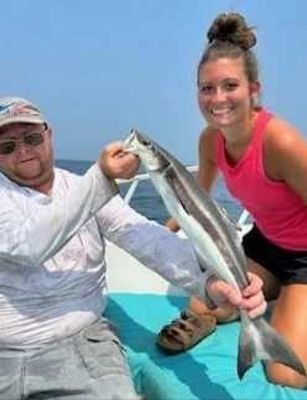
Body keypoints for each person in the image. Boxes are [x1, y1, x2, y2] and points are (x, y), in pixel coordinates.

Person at [0, 96, 265, 399]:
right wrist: (101, 178)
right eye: (6, 146)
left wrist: (209, 284)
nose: (22, 150)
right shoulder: (84, 189)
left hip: (81, 342)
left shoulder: (82, 190)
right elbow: (30, 244)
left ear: (49, 135)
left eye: (32, 138)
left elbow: (147, 239)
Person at [157, 12, 307, 389]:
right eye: (207, 88)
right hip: (266, 245)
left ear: (254, 89)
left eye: (230, 85)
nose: (218, 98)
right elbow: (197, 196)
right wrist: (166, 229)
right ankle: (262, 304)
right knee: (203, 304)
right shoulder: (211, 141)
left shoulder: (281, 143)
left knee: (285, 373)